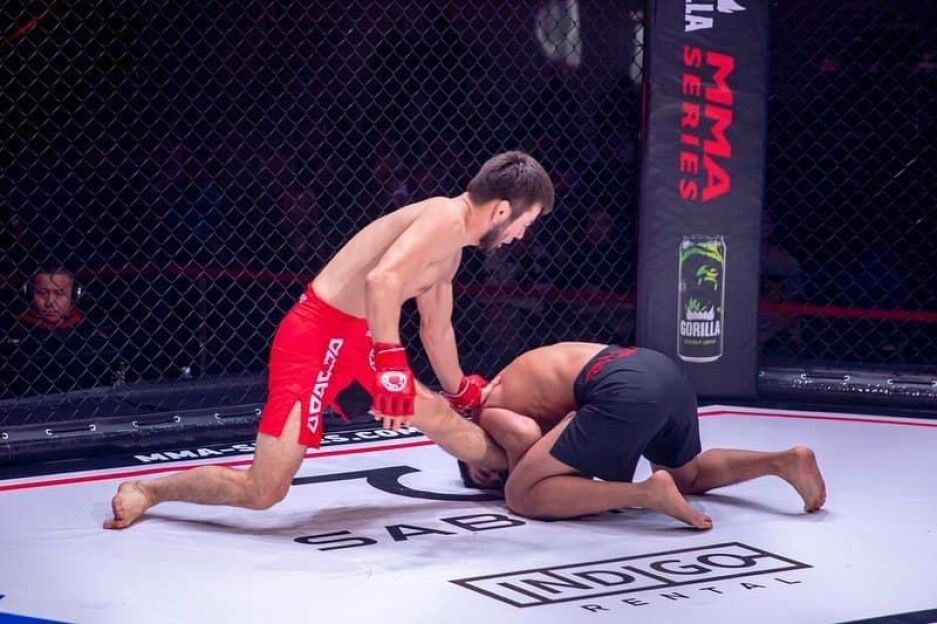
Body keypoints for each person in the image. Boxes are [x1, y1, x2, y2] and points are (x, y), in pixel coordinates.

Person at [104, 150, 555, 529]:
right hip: (313, 339)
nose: (521, 235)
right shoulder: (444, 216)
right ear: (502, 210)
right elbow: (383, 280)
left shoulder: (451, 250)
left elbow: (436, 329)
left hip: (358, 340)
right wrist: (393, 368)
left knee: (438, 414)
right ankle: (148, 490)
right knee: (264, 491)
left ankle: (527, 470)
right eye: (526, 221)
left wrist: (460, 391)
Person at [461, 343, 827, 530]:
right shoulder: (523, 372)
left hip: (621, 388)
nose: (493, 471)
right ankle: (782, 461)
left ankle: (646, 493)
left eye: (485, 470)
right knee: (688, 477)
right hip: (660, 370)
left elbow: (521, 434)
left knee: (521, 495)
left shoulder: (487, 409)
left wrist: (514, 477)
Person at [2, 265, 128, 398]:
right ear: (29, 293)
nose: (50, 302)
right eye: (42, 293)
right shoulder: (10, 332)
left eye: (59, 293)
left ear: (74, 295)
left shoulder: (92, 332)